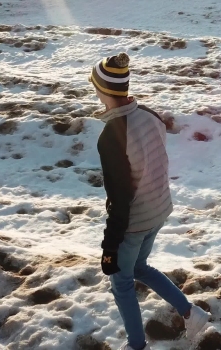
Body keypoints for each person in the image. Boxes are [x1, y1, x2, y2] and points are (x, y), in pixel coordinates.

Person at [89, 52, 210, 350]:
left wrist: (110, 245)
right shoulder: (149, 116)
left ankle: (136, 345)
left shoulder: (112, 136)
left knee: (122, 283)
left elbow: (121, 196)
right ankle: (190, 313)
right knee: (139, 267)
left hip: (135, 220)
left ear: (103, 91)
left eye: (95, 86)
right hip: (159, 209)